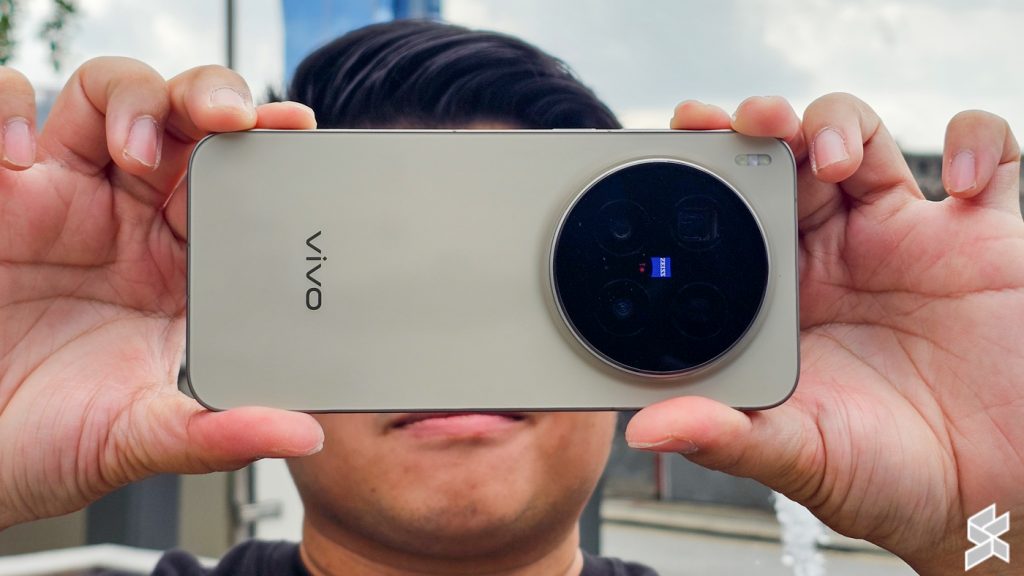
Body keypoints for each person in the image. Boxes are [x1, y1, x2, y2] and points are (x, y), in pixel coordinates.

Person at [0, 18, 1020, 576]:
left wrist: (985, 513)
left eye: (502, 265)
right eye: (390, 269)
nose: (455, 339)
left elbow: (991, 542)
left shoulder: (983, 524)